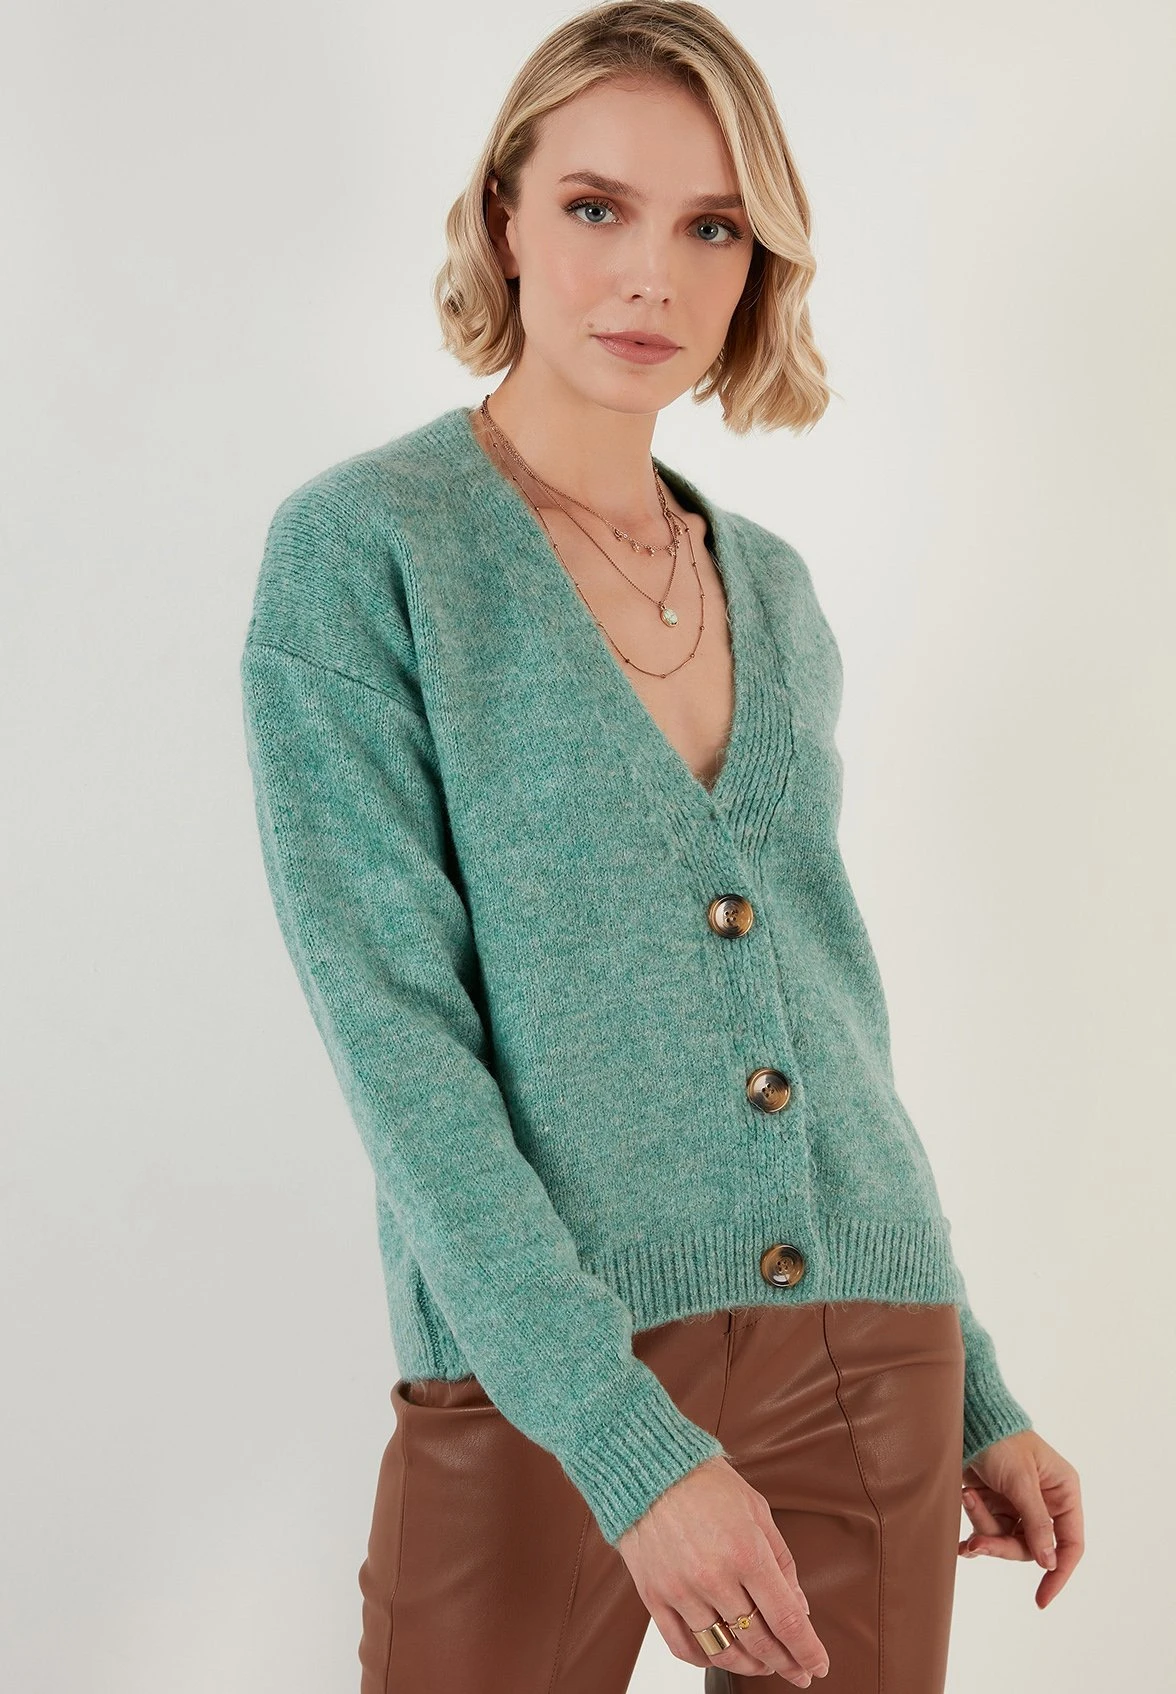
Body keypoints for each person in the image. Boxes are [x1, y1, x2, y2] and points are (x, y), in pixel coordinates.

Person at [238, 4, 1083, 1689]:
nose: (652, 277)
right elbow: (401, 1044)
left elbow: (828, 1012)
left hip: (867, 1350)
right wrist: (625, 1438)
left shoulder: (772, 585)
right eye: (596, 207)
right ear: (504, 217)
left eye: (712, 227)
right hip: (541, 1370)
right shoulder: (368, 552)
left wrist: (975, 1380)